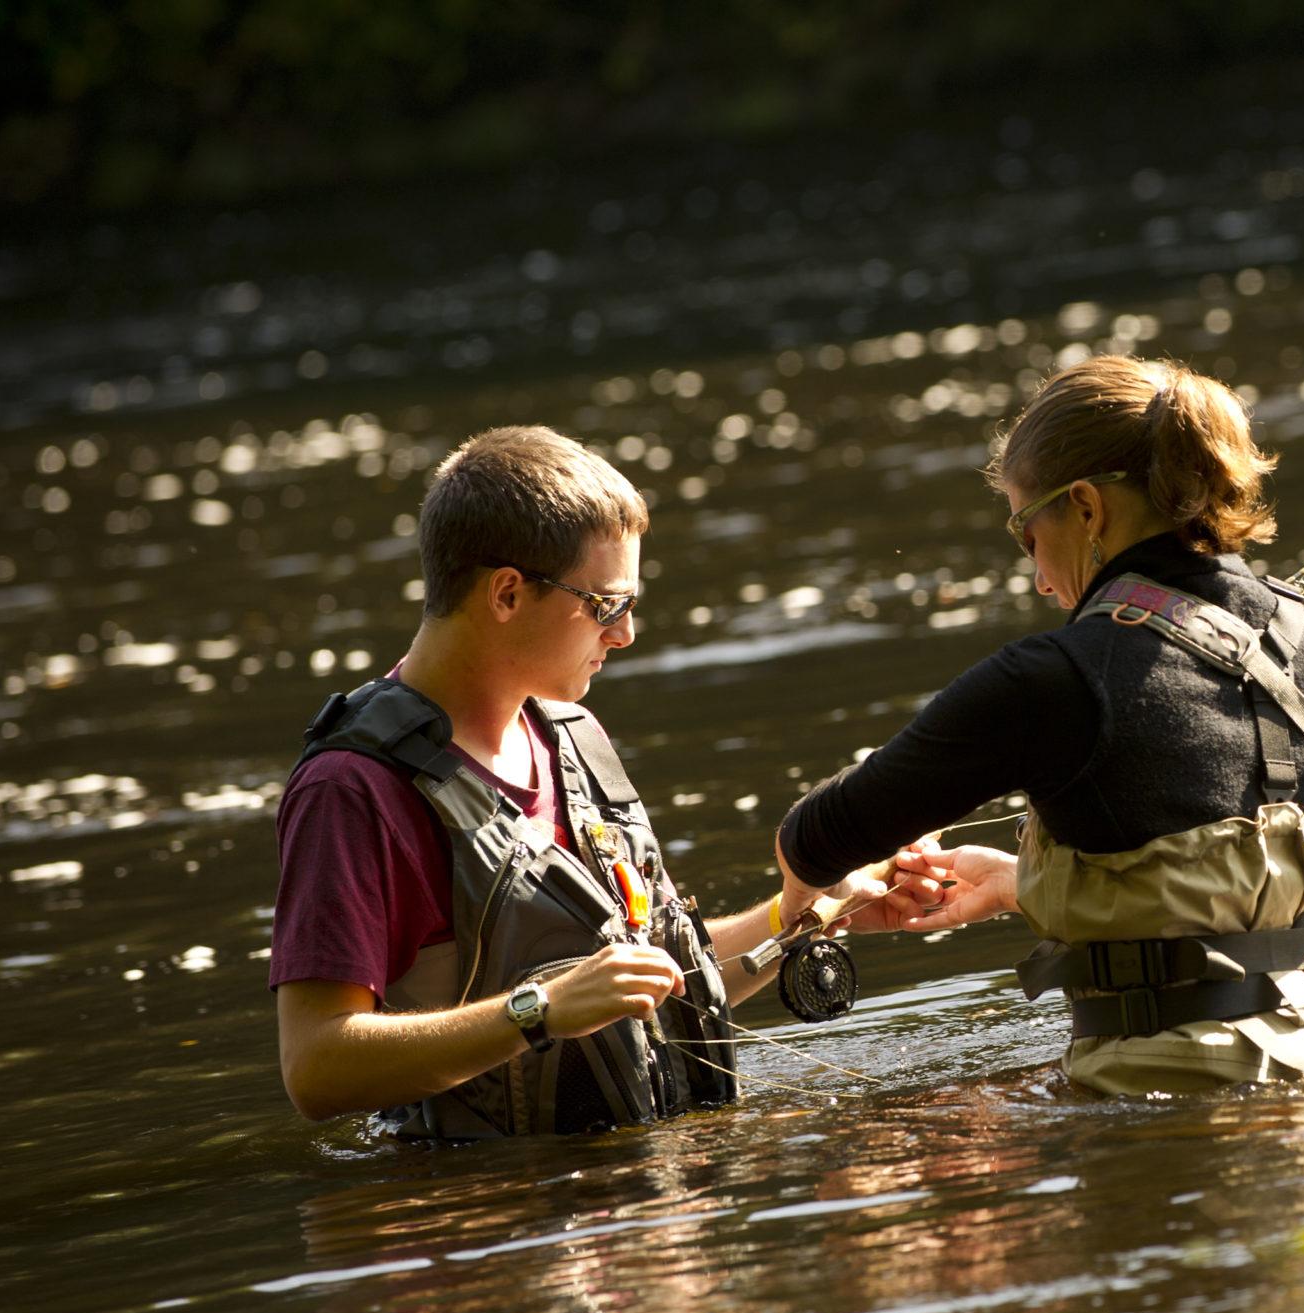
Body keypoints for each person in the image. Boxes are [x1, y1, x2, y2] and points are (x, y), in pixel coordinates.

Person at [776, 356, 1304, 1094]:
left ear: (1085, 507)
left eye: (1026, 533)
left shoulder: (1053, 680)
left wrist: (800, 911)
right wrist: (1019, 885)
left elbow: (819, 837)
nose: (1040, 578)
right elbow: (1243, 900)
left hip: (1180, 1108)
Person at [271, 425, 925, 1137]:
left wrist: (799, 916)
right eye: (607, 605)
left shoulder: (575, 737)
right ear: (507, 594)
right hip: (489, 1217)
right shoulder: (350, 790)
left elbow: (656, 989)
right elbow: (316, 1066)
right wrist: (537, 1011)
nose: (625, 635)